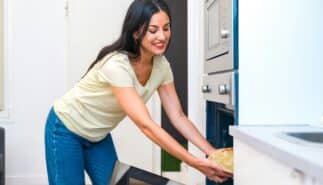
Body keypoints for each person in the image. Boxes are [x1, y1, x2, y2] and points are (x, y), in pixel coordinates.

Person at [44, 0, 232, 184]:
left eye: (166, 28)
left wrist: (212, 153)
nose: (162, 36)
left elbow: (178, 116)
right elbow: (146, 125)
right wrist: (195, 162)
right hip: (65, 129)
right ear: (136, 32)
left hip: (98, 136)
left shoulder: (161, 66)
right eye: (153, 30)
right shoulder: (117, 66)